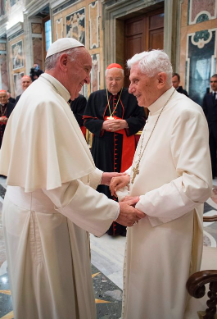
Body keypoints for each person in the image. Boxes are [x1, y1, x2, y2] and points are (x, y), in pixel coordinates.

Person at [0, 38, 144, 319]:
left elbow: (53, 163)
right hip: (43, 223)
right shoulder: (47, 103)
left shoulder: (46, 96)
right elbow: (60, 187)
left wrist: (100, 176)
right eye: (87, 69)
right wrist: (115, 211)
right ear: (64, 62)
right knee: (54, 303)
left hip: (34, 212)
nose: (89, 79)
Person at [109, 50, 212, 319]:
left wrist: (141, 204)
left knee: (160, 300)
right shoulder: (155, 111)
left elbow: (197, 184)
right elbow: (155, 155)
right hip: (144, 221)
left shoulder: (186, 113)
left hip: (168, 228)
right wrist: (129, 175)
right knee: (142, 291)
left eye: (135, 81)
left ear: (160, 79)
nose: (130, 89)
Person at [84, 63, 146, 236]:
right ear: (106, 79)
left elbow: (141, 118)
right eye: (110, 79)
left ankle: (124, 224)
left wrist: (125, 123)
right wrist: (102, 124)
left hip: (126, 147)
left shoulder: (131, 96)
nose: (113, 82)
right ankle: (104, 223)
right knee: (103, 184)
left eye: (117, 79)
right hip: (102, 148)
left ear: (123, 79)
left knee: (124, 182)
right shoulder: (96, 96)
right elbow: (87, 119)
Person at [202, 74, 217, 179]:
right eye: (211, 82)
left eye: (215, 82)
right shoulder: (207, 97)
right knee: (211, 152)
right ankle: (213, 172)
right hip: (210, 129)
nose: (213, 84)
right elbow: (204, 112)